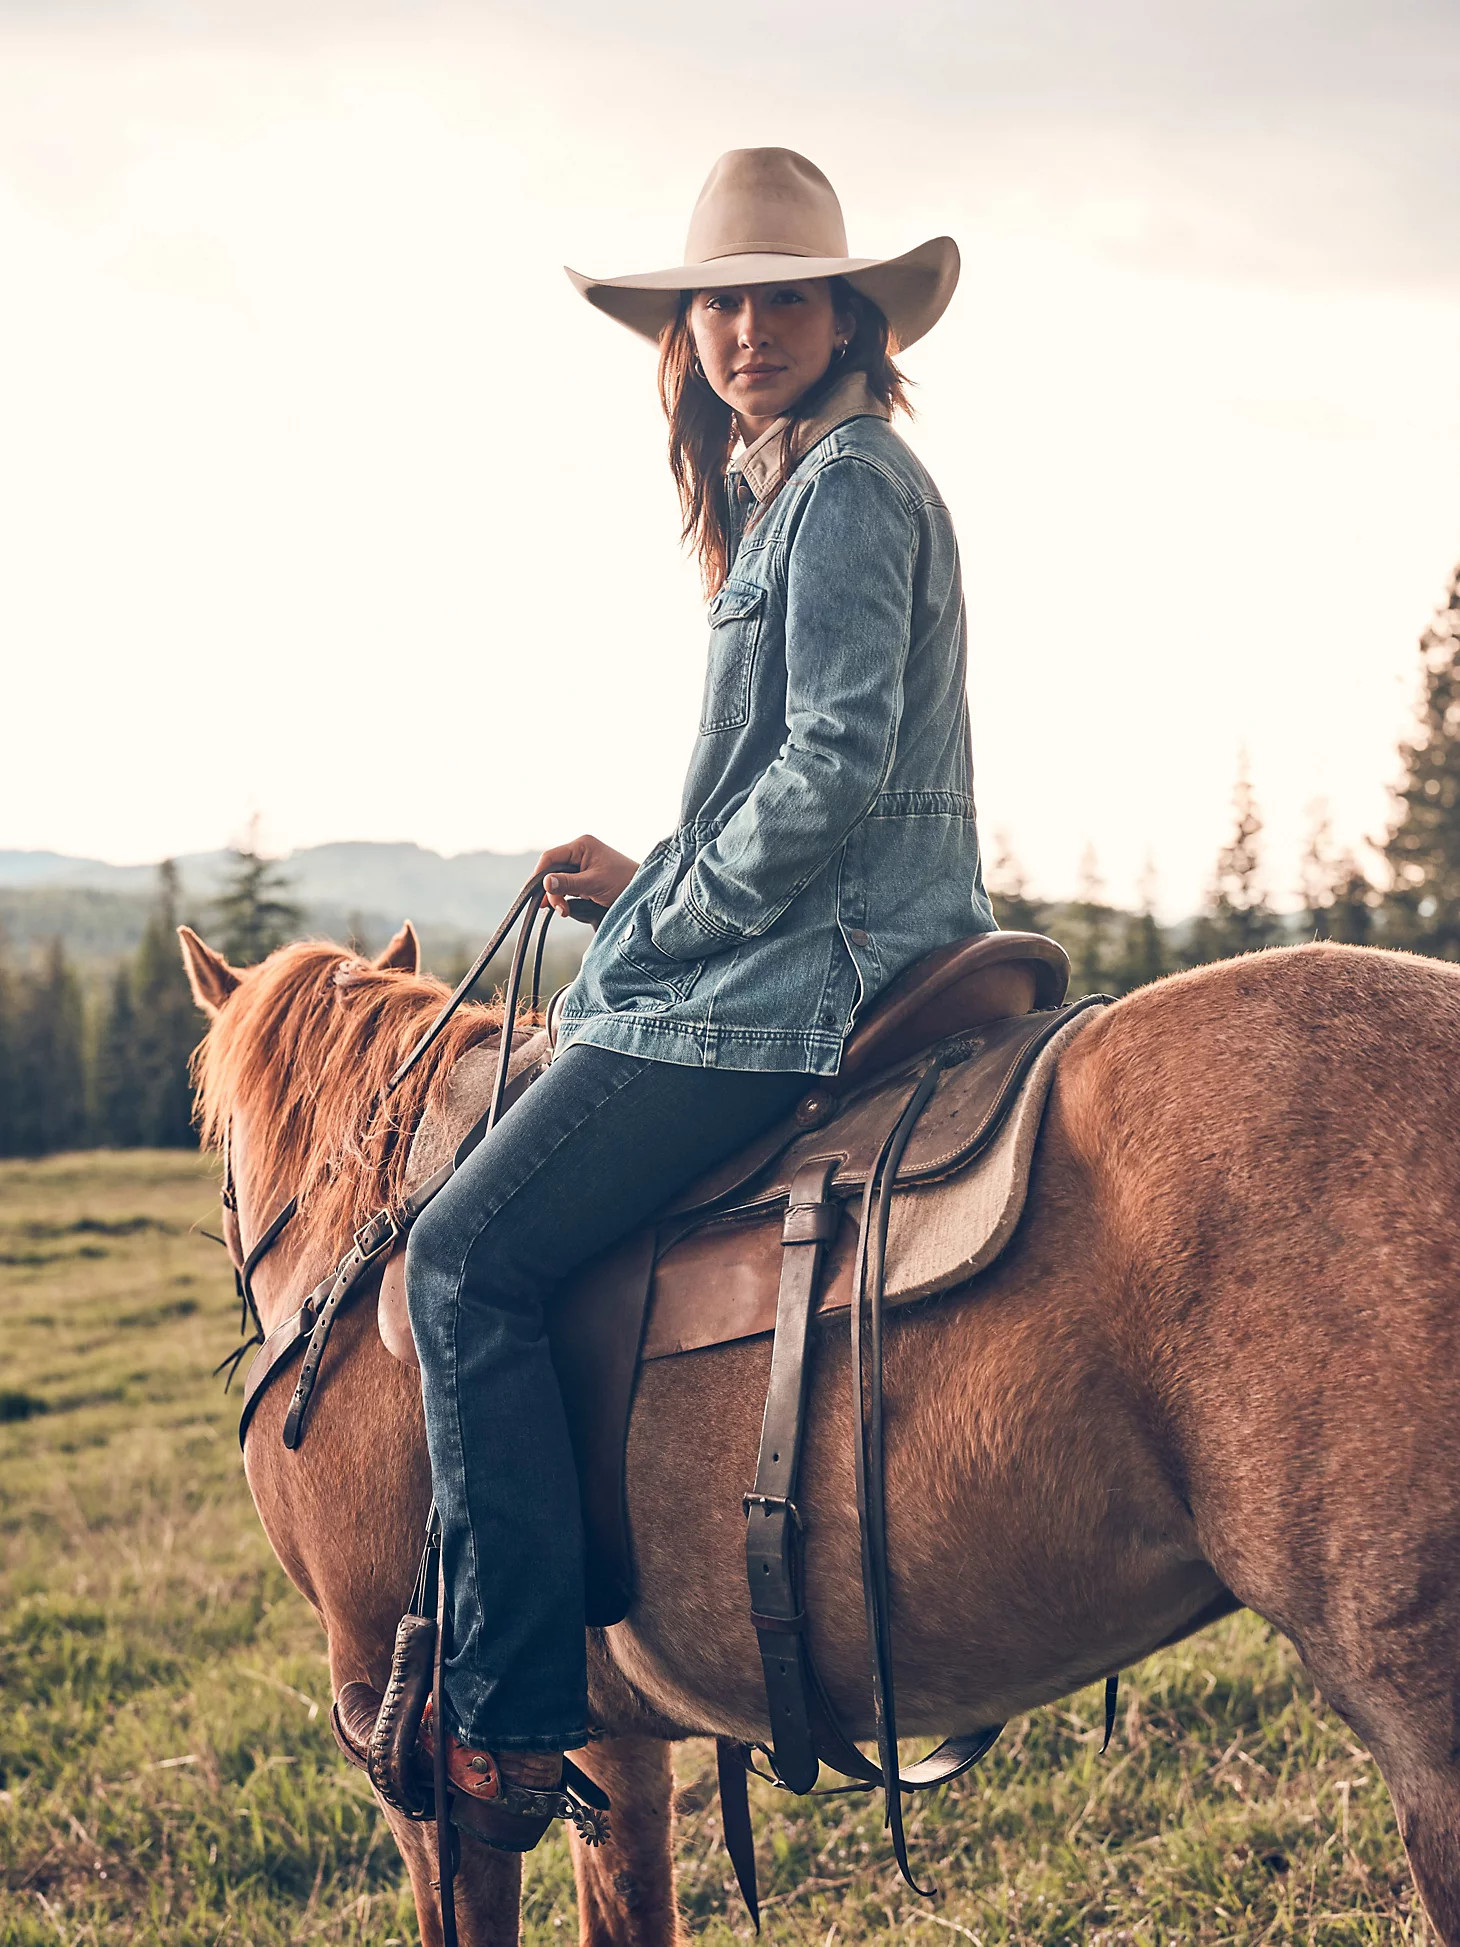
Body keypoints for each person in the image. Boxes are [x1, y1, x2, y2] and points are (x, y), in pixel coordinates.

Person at [405, 145, 996, 1848]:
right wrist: (654, 860)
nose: (745, 325)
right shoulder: (792, 486)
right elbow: (805, 780)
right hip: (824, 930)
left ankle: (515, 1719)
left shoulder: (855, 488)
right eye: (717, 301)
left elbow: (829, 775)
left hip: (821, 968)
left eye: (781, 295)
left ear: (846, 313)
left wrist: (659, 902)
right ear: (690, 330)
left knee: (460, 1257)